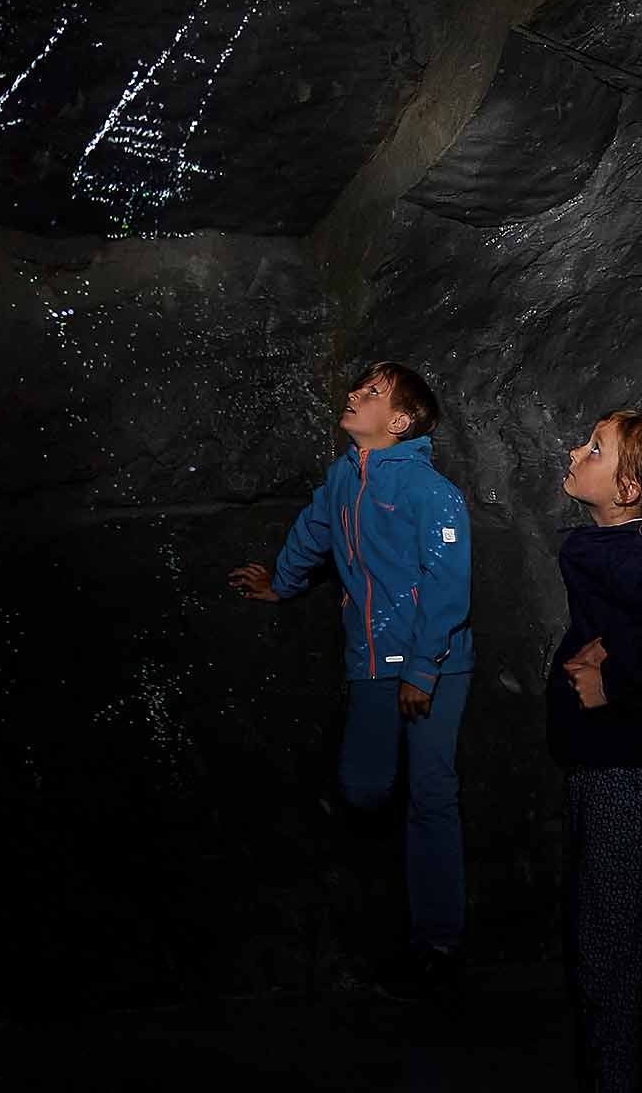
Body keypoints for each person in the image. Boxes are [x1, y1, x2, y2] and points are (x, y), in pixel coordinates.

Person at [228, 361, 474, 994]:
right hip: (369, 659)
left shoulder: (429, 491)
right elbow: (313, 532)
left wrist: (423, 667)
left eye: (371, 394)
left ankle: (438, 944)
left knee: (433, 795)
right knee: (365, 787)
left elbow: (447, 587)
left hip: (434, 663)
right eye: (358, 387)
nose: (353, 396)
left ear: (398, 422)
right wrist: (281, 583)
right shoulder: (344, 476)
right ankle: (396, 900)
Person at [552, 411, 642, 1093]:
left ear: (629, 488)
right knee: (604, 929)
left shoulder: (628, 555)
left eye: (595, 448)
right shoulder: (622, 548)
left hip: (626, 770)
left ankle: (616, 1078)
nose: (577, 452)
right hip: (605, 762)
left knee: (610, 938)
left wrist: (615, 676)